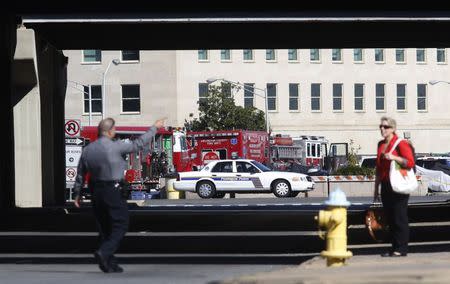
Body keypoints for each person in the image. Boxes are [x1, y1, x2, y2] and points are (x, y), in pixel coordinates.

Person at [73, 117, 165, 273]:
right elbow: (138, 144)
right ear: (110, 131)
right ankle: (105, 252)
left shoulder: (88, 150)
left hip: (95, 191)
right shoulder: (116, 146)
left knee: (104, 227)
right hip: (112, 189)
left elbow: (81, 173)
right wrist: (154, 128)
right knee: (120, 223)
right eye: (114, 130)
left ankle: (109, 262)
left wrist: (77, 194)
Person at [374, 116, 415, 257]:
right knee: (390, 217)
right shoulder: (380, 144)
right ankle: (394, 247)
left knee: (399, 216)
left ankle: (401, 248)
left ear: (393, 129)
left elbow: (410, 162)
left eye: (386, 127)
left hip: (399, 183)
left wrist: (394, 157)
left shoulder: (400, 143)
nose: (382, 129)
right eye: (381, 126)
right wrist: (376, 189)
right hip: (386, 184)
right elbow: (379, 168)